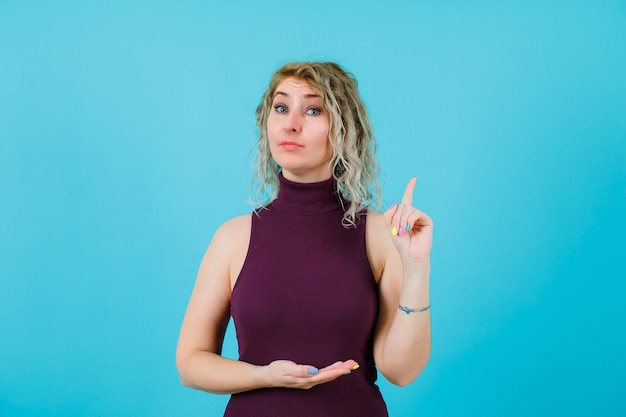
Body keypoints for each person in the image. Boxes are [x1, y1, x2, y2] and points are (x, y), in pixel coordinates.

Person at [176, 61, 433, 416]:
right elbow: (190, 363)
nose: (290, 123)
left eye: (313, 110)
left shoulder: (376, 233)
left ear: (344, 130)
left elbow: (401, 371)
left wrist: (417, 267)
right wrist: (265, 375)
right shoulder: (233, 238)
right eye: (281, 107)